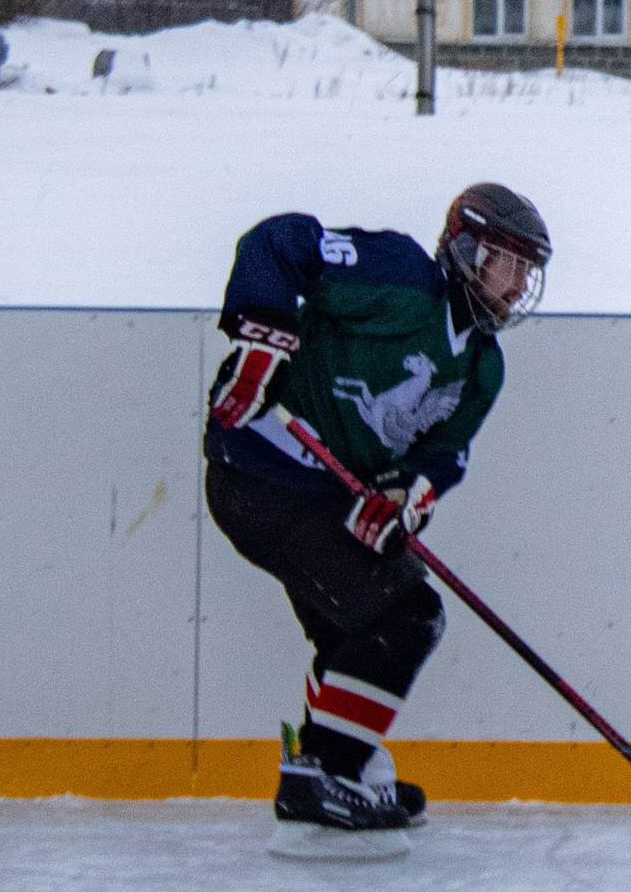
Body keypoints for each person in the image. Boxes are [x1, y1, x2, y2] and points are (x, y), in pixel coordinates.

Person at [202, 185, 551, 857]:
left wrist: (406, 495)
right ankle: (324, 777)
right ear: (465, 248)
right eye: (505, 263)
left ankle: (333, 768)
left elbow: (444, 454)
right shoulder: (397, 276)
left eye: (526, 271)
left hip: (323, 499)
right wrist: (263, 333)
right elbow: (279, 241)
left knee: (357, 635)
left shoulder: (482, 367)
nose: (515, 285)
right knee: (407, 615)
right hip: (259, 476)